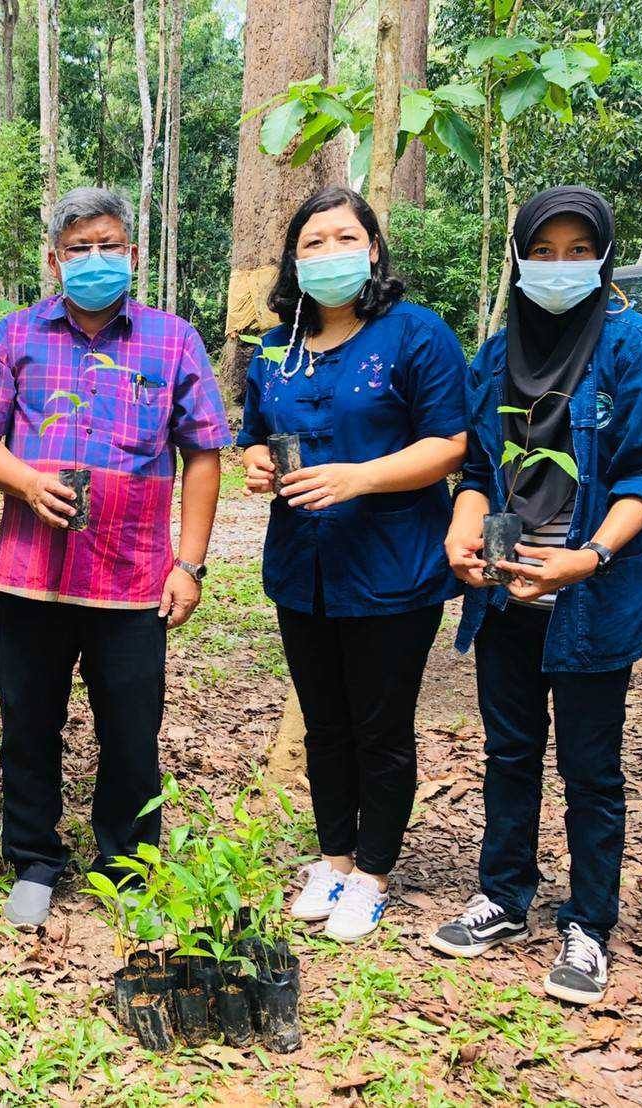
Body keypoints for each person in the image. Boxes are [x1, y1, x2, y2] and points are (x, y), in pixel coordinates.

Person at [429, 187, 642, 1006]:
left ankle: (589, 924)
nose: (562, 267)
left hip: (589, 597)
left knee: (590, 767)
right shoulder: (498, 352)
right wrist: (463, 534)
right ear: (518, 257)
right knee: (508, 753)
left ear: (605, 257)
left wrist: (592, 557)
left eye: (581, 251)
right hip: (506, 594)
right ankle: (502, 896)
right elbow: (476, 469)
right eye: (546, 250)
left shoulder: (637, 347)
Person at [0, 186, 231, 928]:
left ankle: (127, 865)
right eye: (79, 249)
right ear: (54, 260)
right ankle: (36, 860)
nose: (95, 260)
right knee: (29, 720)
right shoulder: (14, 336)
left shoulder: (172, 340)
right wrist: (24, 479)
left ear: (134, 256)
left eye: (109, 245)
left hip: (135, 574)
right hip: (32, 573)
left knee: (132, 728)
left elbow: (203, 453)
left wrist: (191, 563)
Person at [237, 186, 468, 944]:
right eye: (312, 243)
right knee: (326, 724)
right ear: (294, 259)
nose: (329, 254)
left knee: (380, 726)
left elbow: (449, 444)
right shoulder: (276, 345)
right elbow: (257, 433)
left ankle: (373, 874)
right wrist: (258, 461)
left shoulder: (417, 336)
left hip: (391, 568)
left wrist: (357, 477)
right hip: (303, 567)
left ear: (373, 249)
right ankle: (333, 858)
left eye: (344, 238)